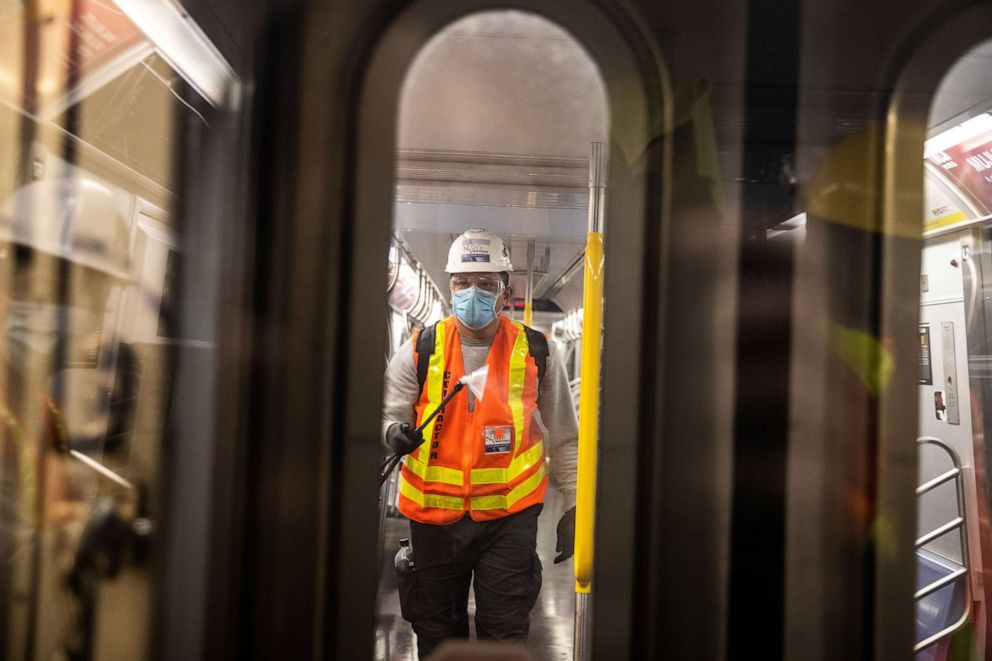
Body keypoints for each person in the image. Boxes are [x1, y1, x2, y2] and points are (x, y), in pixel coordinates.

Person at [382, 228, 579, 657]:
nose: (473, 293)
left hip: (509, 519)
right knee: (436, 633)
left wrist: (575, 506)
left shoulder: (536, 350)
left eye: (486, 284)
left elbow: (564, 437)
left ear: (505, 292)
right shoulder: (419, 349)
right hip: (434, 521)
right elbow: (386, 416)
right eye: (462, 283)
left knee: (504, 631)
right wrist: (392, 433)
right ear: (450, 285)